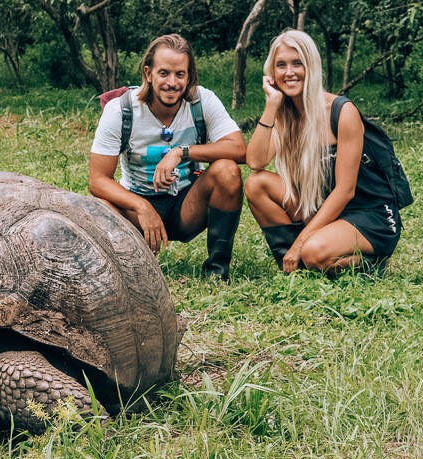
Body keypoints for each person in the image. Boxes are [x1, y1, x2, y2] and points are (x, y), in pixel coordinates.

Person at [89, 33, 246, 280]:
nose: (172, 83)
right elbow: (97, 180)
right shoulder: (121, 110)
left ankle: (217, 270)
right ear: (148, 73)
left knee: (227, 170)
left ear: (189, 76)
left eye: (180, 74)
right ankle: (120, 271)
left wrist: (181, 151)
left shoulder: (202, 101)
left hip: (187, 204)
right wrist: (141, 206)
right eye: (164, 73)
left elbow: (238, 149)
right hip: (137, 207)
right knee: (100, 206)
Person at [245, 29, 401, 275]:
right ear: (272, 73)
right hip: (323, 210)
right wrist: (272, 104)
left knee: (312, 251)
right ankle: (296, 266)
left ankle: (369, 261)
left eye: (298, 63)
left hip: (369, 215)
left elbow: (345, 191)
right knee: (257, 184)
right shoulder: (285, 113)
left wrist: (300, 243)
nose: (289, 72)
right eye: (281, 65)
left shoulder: (341, 111)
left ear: (311, 66)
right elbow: (255, 161)